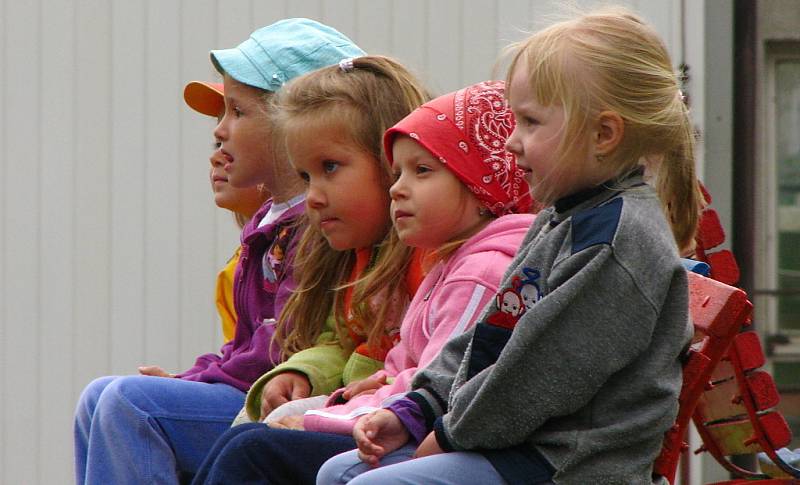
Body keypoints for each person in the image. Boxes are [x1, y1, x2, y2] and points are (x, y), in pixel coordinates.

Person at [318, 8, 704, 485]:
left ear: (604, 134)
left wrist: (448, 434)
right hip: (518, 444)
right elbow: (490, 336)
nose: (512, 143)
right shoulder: (562, 218)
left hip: (569, 464)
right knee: (339, 471)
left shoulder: (613, 242)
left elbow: (535, 377)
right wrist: (415, 409)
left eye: (530, 122)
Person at [190, 80, 535, 485]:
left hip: (420, 434)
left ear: (482, 182)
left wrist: (322, 416)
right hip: (390, 418)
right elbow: (396, 365)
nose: (398, 188)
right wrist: (338, 395)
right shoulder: (444, 263)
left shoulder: (479, 273)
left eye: (421, 171)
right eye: (397, 173)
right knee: (249, 439)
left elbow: (442, 384)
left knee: (254, 449)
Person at [73, 19, 365, 485]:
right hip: (253, 391)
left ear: (296, 121)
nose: (221, 133)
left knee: (129, 403)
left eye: (236, 112)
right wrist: (191, 378)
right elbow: (244, 344)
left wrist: (196, 384)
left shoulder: (317, 227)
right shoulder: (270, 226)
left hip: (289, 399)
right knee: (100, 395)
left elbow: (279, 346)